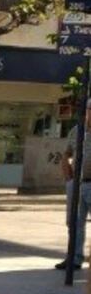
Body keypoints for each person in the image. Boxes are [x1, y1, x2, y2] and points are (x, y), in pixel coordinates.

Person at [57, 107, 91, 270]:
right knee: (74, 222)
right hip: (77, 183)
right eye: (88, 110)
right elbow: (66, 154)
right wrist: (68, 176)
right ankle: (74, 257)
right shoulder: (76, 131)